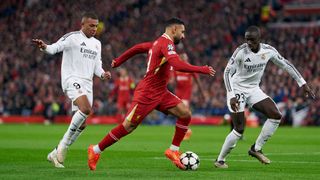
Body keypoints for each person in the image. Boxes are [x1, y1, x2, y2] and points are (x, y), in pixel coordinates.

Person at [87, 17, 215, 171]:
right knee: (128, 126)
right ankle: (95, 150)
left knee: (185, 113)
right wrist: (202, 69)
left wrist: (119, 61)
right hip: (147, 93)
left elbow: (138, 48)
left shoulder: (157, 43)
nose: (183, 36)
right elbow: (176, 64)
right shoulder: (165, 43)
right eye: (182, 32)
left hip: (161, 92)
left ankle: (173, 150)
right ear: (174, 29)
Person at [214, 26, 316, 168]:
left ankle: (256, 149)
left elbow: (286, 65)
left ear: (259, 39)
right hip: (237, 89)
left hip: (254, 89)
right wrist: (231, 95)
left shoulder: (268, 51)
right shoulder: (240, 51)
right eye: (247, 39)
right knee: (239, 128)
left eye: (252, 40)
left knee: (275, 115)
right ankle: (220, 160)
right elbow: (226, 73)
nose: (249, 43)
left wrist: (302, 83)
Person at [32, 12, 111, 168]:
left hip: (87, 84)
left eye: (96, 26)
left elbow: (97, 66)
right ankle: (62, 146)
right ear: (82, 25)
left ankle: (54, 154)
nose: (94, 28)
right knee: (86, 109)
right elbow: (54, 48)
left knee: (82, 125)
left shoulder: (97, 44)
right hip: (72, 79)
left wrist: (103, 74)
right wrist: (44, 47)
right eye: (91, 25)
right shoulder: (72, 37)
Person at [172, 53, 206, 140]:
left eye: (185, 58)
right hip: (178, 94)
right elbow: (174, 82)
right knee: (179, 114)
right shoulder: (176, 70)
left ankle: (186, 131)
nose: (184, 60)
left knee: (185, 113)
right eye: (182, 58)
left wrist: (202, 93)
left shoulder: (190, 69)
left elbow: (197, 81)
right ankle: (182, 131)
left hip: (186, 95)